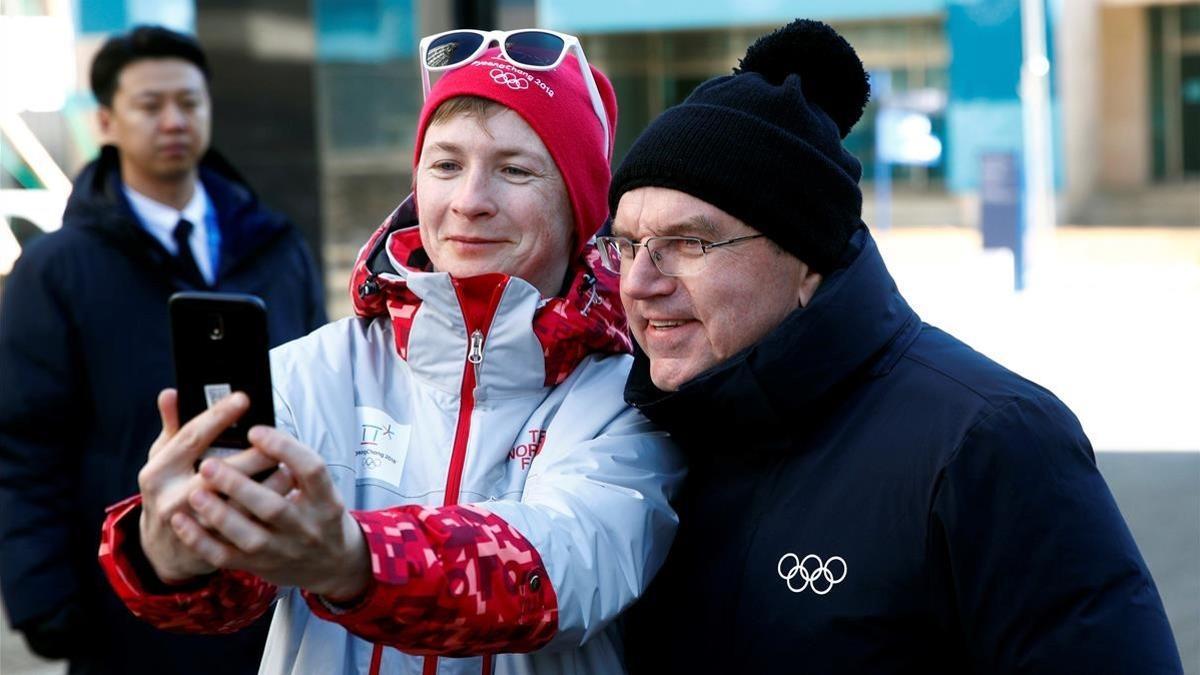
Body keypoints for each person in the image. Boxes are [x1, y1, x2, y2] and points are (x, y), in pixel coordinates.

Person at [602, 19, 1184, 674]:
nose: (639, 282)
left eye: (689, 242)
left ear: (806, 261)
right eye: (625, 243)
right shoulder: (637, 434)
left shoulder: (990, 442)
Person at [96, 29, 684, 675]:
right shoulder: (309, 373)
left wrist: (353, 558)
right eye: (446, 164)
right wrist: (175, 546)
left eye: (515, 169)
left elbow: (564, 572)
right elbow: (228, 598)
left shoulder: (627, 397)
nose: (469, 201)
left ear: (578, 207)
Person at [0, 25, 326, 675]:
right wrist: (43, 595)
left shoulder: (275, 244)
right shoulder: (57, 268)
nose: (174, 120)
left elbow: (325, 398)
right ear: (105, 121)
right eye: (151, 105)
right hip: (127, 593)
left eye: (190, 102)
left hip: (275, 586)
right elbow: (22, 439)